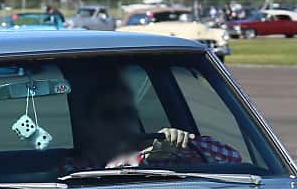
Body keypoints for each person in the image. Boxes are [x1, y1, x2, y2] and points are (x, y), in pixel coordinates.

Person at [65, 68, 241, 171]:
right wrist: (145, 158)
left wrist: (182, 144)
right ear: (87, 124)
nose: (122, 123)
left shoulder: (166, 158)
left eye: (128, 113)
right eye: (109, 115)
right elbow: (110, 172)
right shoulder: (69, 169)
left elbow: (234, 159)